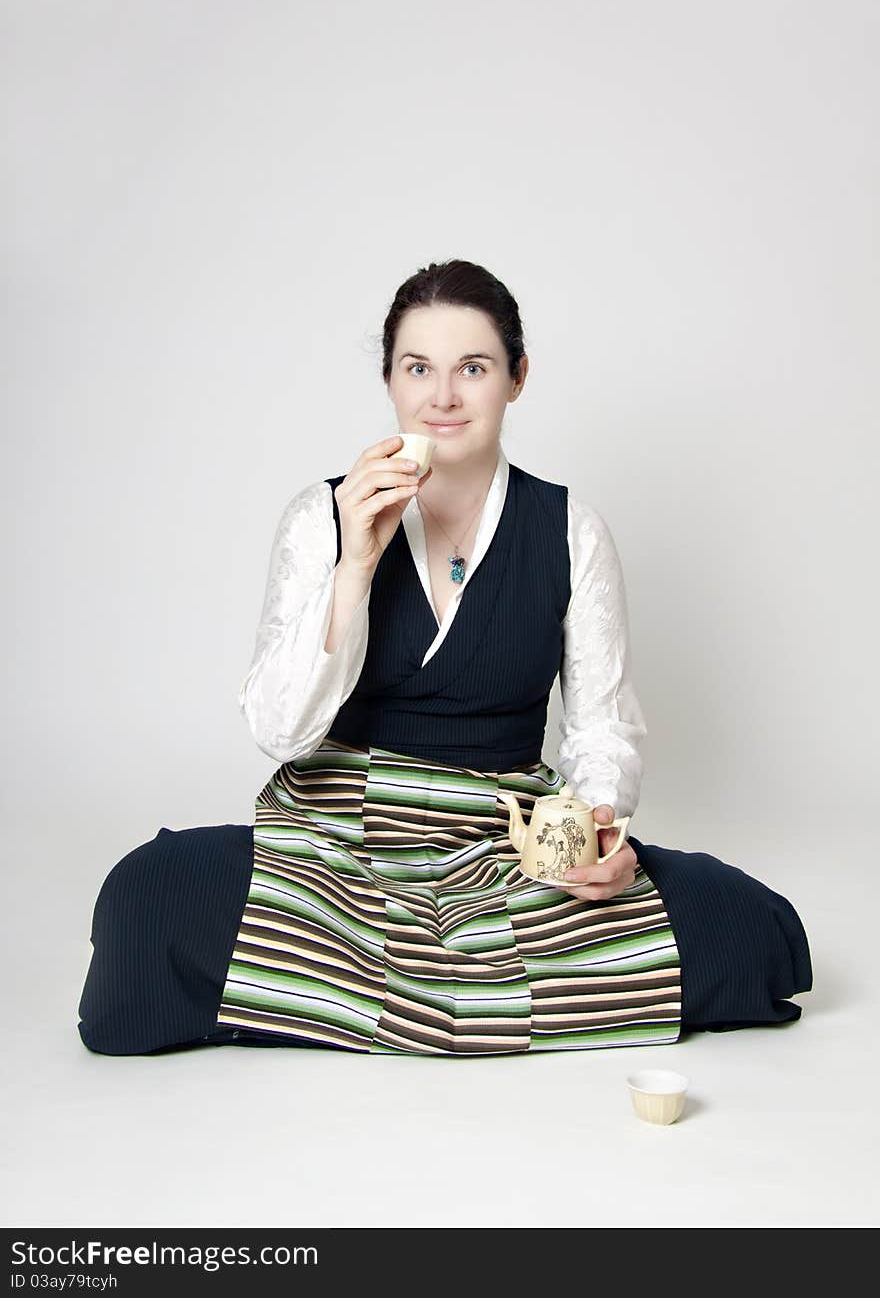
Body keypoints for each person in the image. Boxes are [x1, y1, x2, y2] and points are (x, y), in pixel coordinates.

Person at [77, 258, 812, 1057]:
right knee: (148, 898)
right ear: (390, 380)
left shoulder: (572, 530)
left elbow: (602, 728)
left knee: (747, 924)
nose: (443, 397)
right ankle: (479, 990)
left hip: (503, 840)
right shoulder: (322, 517)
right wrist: (355, 563)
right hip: (336, 843)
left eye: (474, 368)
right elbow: (281, 731)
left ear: (517, 378)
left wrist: (597, 829)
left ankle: (315, 995)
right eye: (417, 368)